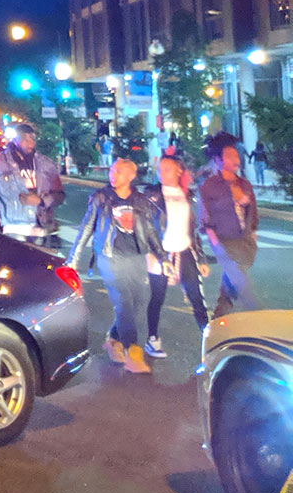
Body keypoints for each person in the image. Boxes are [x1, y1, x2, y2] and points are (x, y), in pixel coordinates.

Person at [69, 157, 164, 374]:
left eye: (119, 171)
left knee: (141, 301)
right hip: (109, 257)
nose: (113, 174)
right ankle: (133, 352)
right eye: (112, 170)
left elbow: (149, 230)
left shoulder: (140, 200)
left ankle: (113, 338)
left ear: (131, 176)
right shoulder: (101, 198)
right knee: (123, 302)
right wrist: (74, 258)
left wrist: (162, 256)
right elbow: (86, 227)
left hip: (136, 256)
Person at [145, 151, 209, 358]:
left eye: (167, 169)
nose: (162, 173)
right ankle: (152, 339)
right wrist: (153, 253)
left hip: (185, 252)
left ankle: (208, 338)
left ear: (178, 171)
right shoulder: (152, 194)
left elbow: (191, 228)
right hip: (160, 254)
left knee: (196, 298)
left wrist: (201, 258)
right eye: (160, 169)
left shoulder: (187, 194)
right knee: (157, 298)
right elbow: (146, 226)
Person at [198, 141, 262, 316]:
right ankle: (258, 315)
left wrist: (253, 231)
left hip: (244, 241)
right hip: (223, 240)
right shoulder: (210, 185)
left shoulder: (244, 184)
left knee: (231, 279)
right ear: (219, 160)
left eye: (236, 155)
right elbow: (204, 214)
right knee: (240, 280)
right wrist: (213, 238)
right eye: (230, 156)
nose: (236, 159)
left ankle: (219, 316)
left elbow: (253, 210)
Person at [0, 123, 64, 240]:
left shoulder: (46, 164)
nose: (30, 142)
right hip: (13, 231)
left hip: (42, 231)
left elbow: (59, 195)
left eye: (32, 138)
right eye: (25, 138)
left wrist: (41, 201)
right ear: (15, 139)